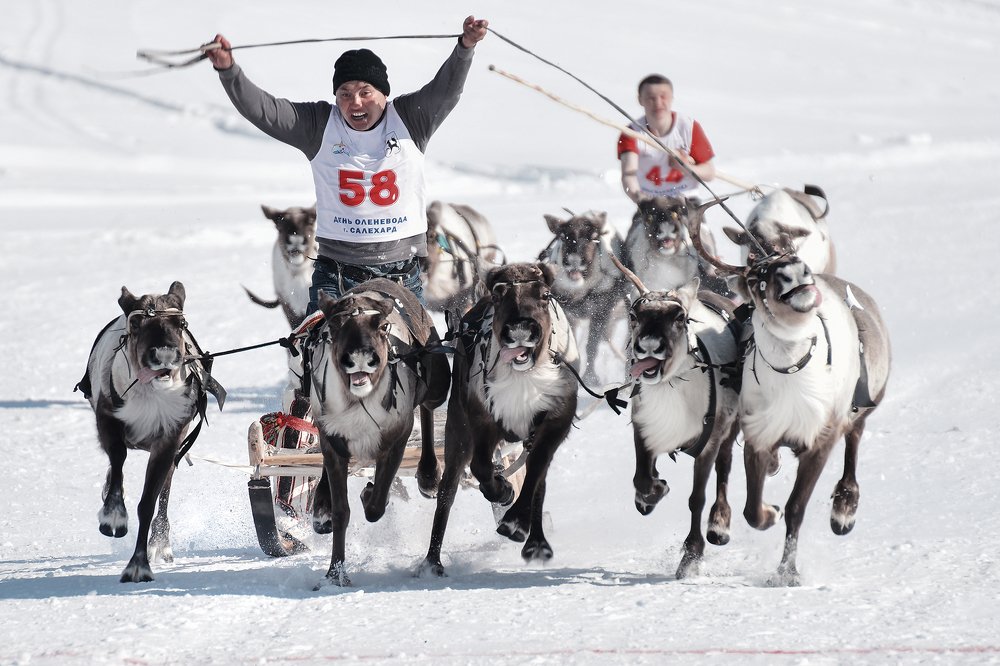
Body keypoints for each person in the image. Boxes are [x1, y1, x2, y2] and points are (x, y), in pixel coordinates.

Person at [205, 16, 489, 310]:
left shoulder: (410, 118)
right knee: (313, 350)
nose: (355, 102)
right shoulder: (318, 125)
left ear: (384, 94)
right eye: (345, 94)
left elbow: (446, 91)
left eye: (366, 92)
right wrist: (228, 70)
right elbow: (265, 111)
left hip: (401, 273)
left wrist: (465, 46)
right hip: (335, 273)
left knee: (426, 355)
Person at [617, 74, 715, 204]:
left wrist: (686, 168)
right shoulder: (631, 133)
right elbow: (629, 174)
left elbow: (709, 173)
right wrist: (640, 200)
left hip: (687, 201)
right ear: (640, 100)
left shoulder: (688, 127)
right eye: (651, 98)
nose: (658, 103)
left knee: (696, 224)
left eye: (663, 96)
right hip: (651, 202)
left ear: (672, 97)